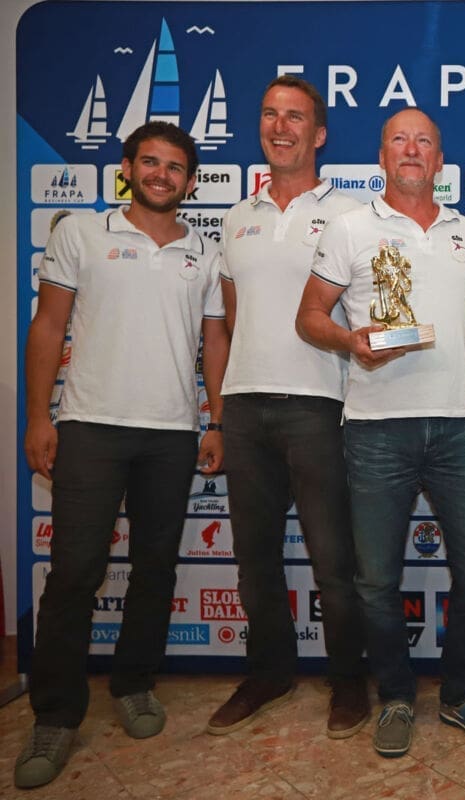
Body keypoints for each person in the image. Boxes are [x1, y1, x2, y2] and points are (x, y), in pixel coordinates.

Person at [16, 122, 228, 789]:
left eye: (175, 167)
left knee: (155, 569)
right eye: (151, 162)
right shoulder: (80, 233)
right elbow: (48, 325)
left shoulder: (206, 252)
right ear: (128, 169)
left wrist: (217, 420)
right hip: (89, 428)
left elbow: (214, 343)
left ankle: (134, 683)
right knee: (74, 573)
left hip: (170, 433)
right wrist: (37, 416)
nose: (162, 175)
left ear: (190, 182)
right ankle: (55, 714)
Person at [295, 108, 465, 758]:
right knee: (376, 582)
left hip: (457, 426)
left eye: (424, 142)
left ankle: (462, 694)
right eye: (399, 140)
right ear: (382, 156)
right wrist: (350, 341)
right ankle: (394, 695)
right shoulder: (350, 227)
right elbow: (310, 316)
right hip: (375, 429)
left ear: (439, 160)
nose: (411, 150)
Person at [205, 76, 368, 739]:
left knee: (333, 560)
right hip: (244, 408)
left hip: (318, 405)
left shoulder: (351, 216)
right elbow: (226, 324)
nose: (280, 126)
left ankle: (348, 681)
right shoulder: (236, 218)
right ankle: (269, 672)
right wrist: (218, 414)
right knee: (254, 557)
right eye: (270, 114)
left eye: (295, 116)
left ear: (318, 134)